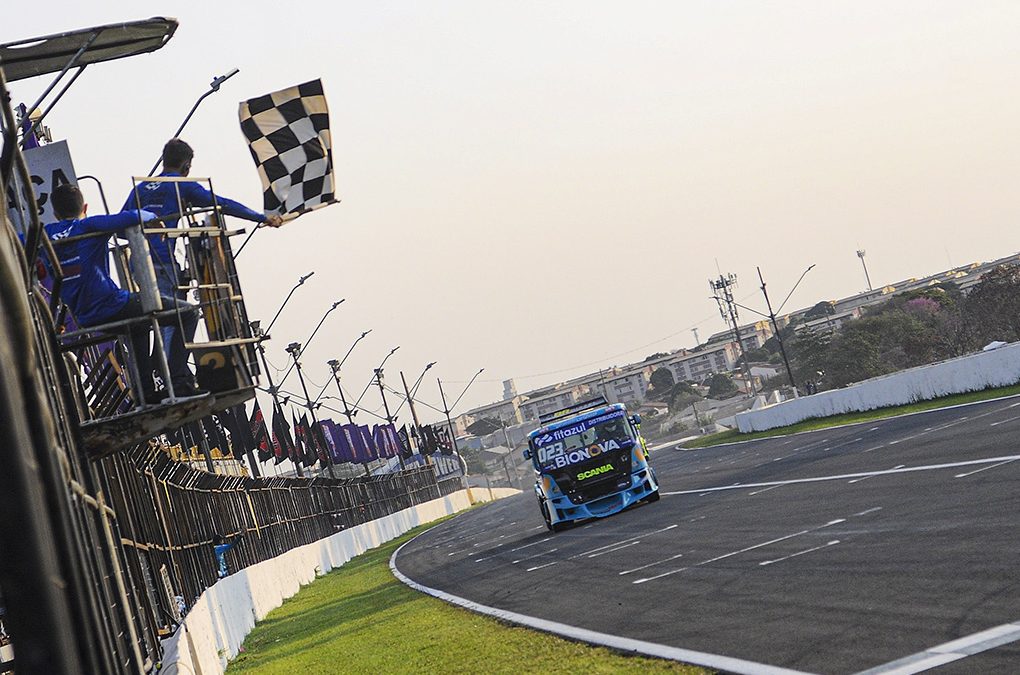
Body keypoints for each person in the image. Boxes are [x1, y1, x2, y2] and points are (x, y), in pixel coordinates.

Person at [45, 184, 202, 403]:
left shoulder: (43, 235)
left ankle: (146, 394)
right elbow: (133, 215)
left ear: (55, 213)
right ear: (85, 207)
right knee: (188, 313)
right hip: (113, 304)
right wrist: (155, 217)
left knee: (137, 326)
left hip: (85, 317)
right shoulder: (90, 225)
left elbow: (19, 239)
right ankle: (179, 382)